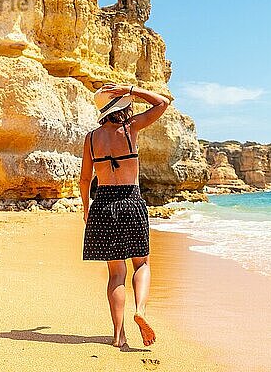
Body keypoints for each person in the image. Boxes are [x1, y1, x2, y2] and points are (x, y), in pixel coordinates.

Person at [79, 83, 170, 348]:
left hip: (103, 204)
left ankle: (118, 335)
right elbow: (161, 103)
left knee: (115, 274)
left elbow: (85, 179)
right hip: (130, 200)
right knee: (141, 264)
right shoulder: (130, 129)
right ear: (121, 106)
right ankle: (140, 310)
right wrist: (131, 89)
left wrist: (86, 209)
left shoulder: (92, 138)